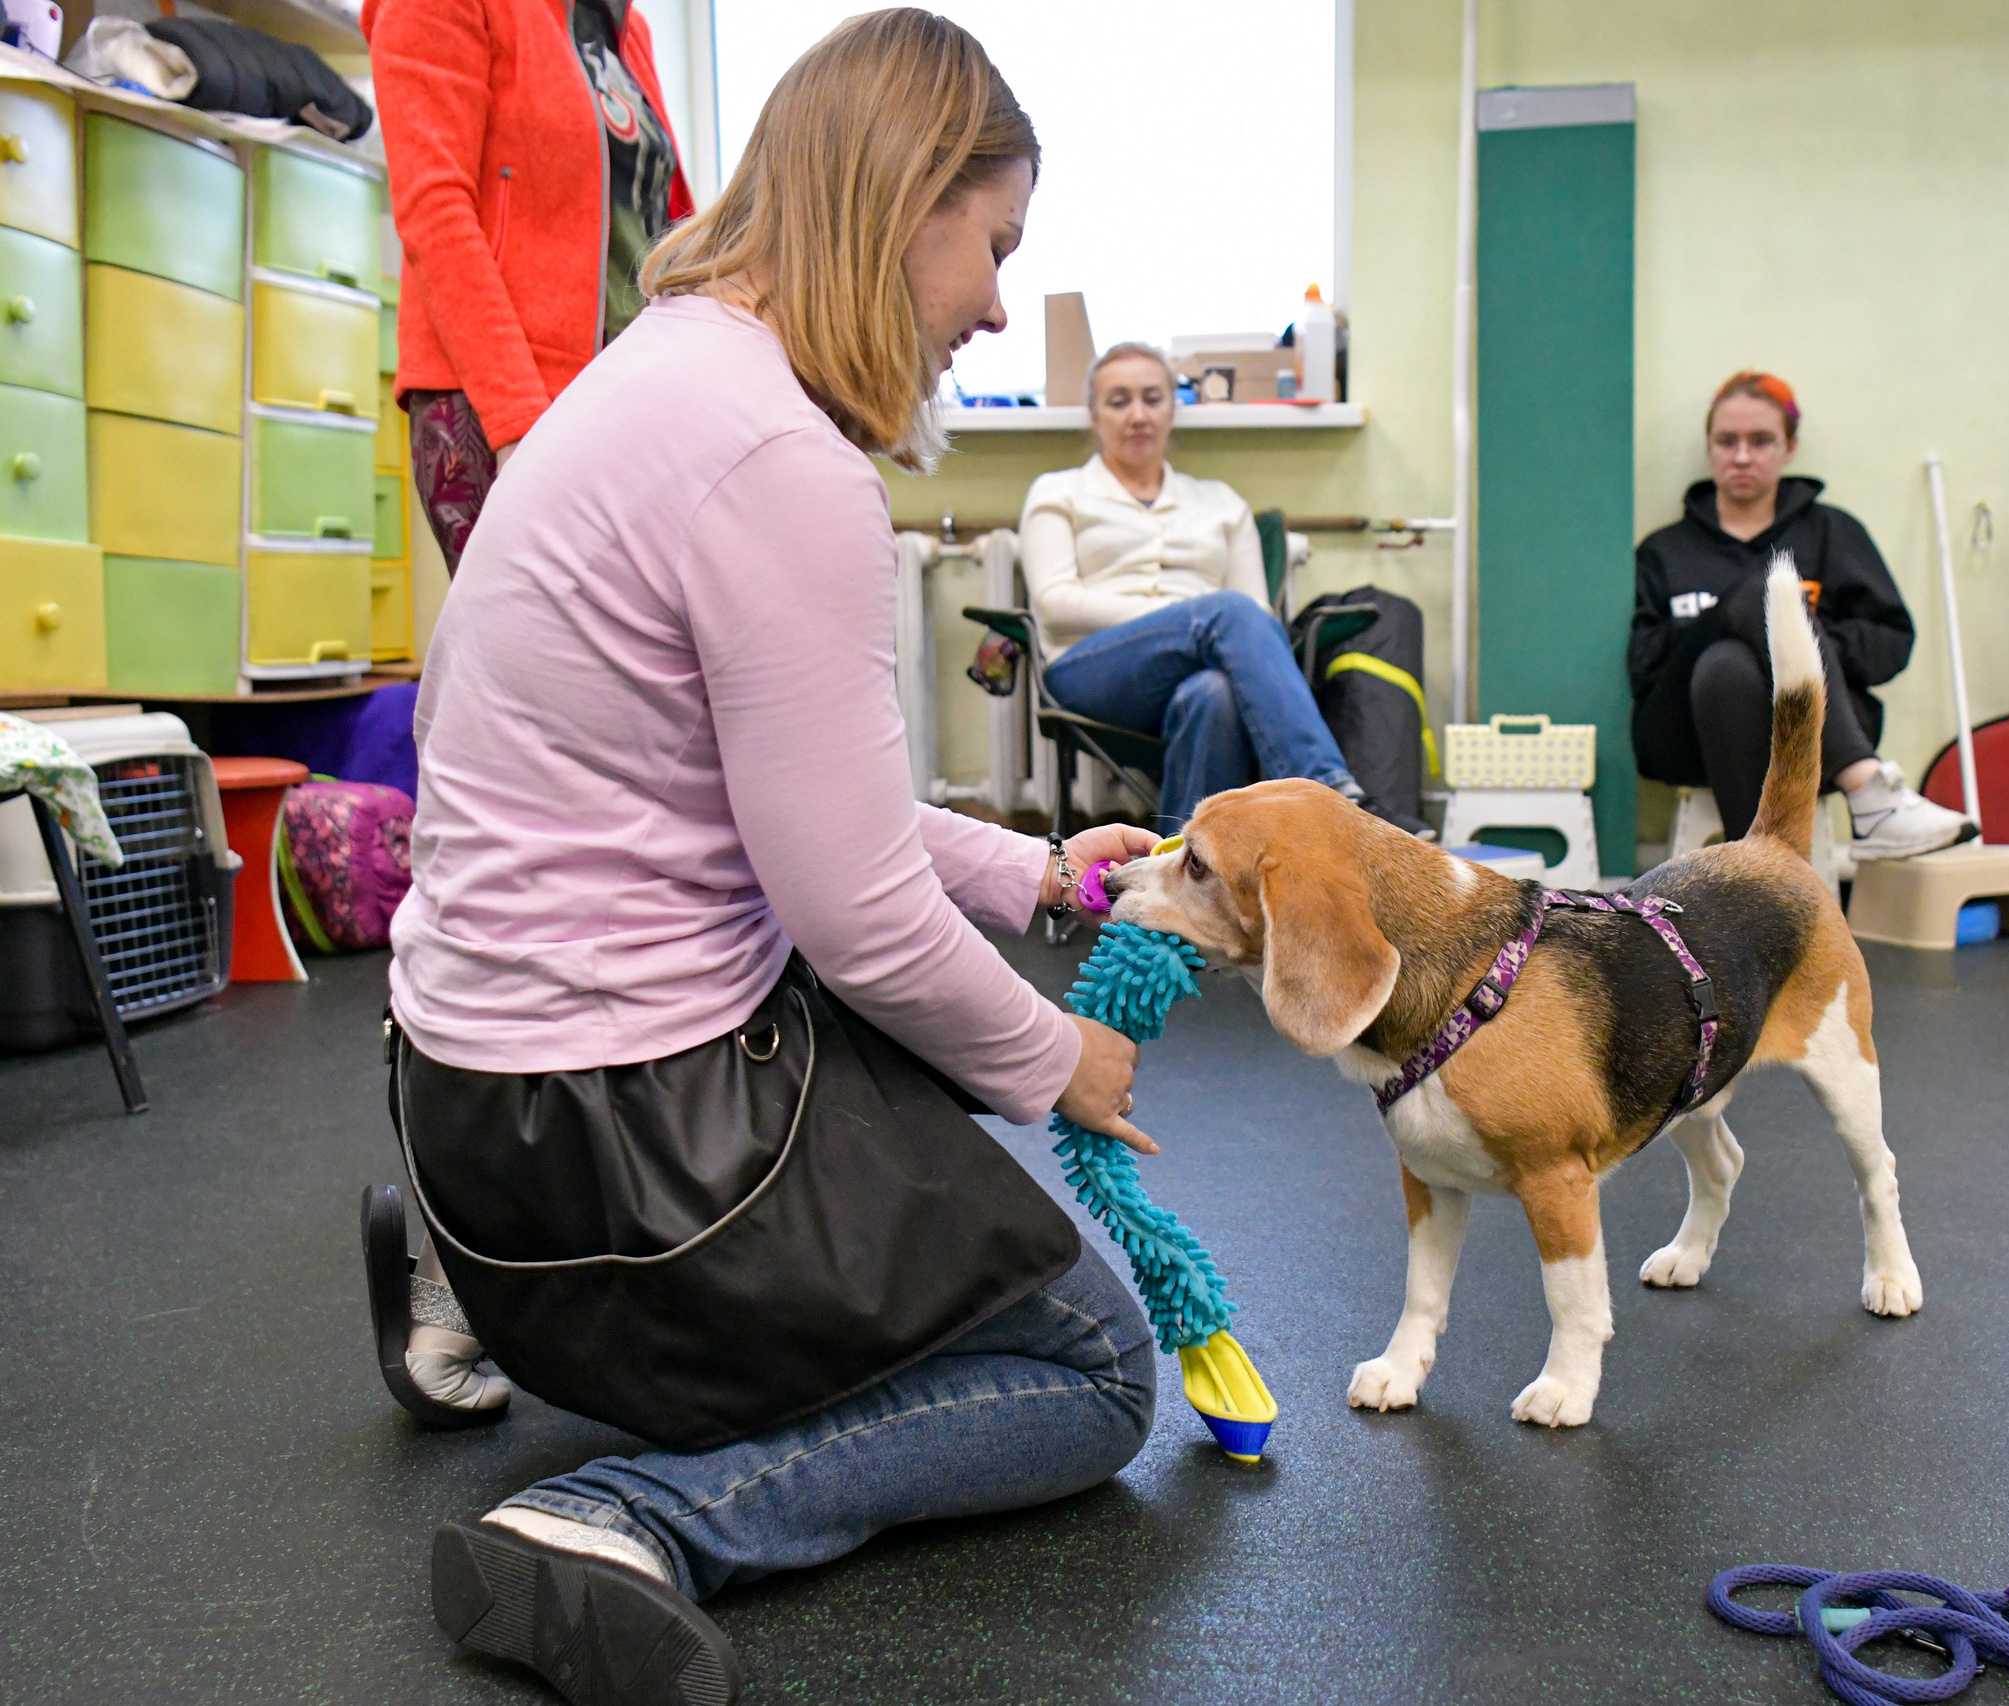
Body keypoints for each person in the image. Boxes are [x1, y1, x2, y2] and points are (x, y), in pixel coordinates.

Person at [377, 17, 1164, 1699]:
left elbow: (781, 806)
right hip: (624, 1140)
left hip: (470, 1102)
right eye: (995, 245)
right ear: (902, 205)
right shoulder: (778, 461)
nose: (996, 306)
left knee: (894, 1046)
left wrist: (1029, 878)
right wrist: (1059, 1060)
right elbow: (859, 913)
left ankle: (464, 1269)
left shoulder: (655, 380)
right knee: (1093, 1365)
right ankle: (627, 1521)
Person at [366, 0, 692, 569]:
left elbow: (666, 224)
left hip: (628, 404)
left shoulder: (623, 26)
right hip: (503, 404)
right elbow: (434, 212)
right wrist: (519, 423)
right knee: (548, 652)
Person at [1019, 344, 1393, 835]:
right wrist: (1190, 616)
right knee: (1226, 614)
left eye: (1152, 398)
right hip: (1090, 671)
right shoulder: (1058, 491)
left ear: (1174, 409)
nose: (1137, 415)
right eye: (1118, 401)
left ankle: (1178, 877)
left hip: (1206, 664)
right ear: (1093, 415)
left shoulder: (1220, 502)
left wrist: (1204, 622)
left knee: (1212, 694)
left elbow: (1258, 613)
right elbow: (1055, 604)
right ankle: (1324, 796)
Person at [1629, 371, 1975, 860]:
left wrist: (1807, 639)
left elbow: (1891, 644)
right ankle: (1870, 794)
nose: (1742, 456)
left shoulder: (1833, 532)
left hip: (1811, 732)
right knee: (1766, 594)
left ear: (1790, 448)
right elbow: (1644, 666)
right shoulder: (1664, 551)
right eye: (1727, 441)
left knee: (1731, 660)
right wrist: (1728, 620)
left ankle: (1761, 877)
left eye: (1761, 441)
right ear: (1709, 448)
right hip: (1686, 736)